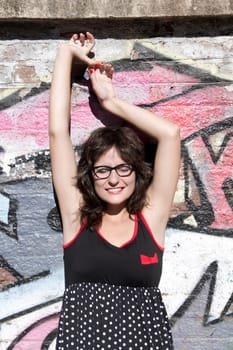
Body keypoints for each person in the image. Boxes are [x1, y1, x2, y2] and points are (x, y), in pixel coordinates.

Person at [49, 32, 180, 350]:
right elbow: (57, 133)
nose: (114, 179)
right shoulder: (77, 218)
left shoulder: (151, 218)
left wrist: (110, 101)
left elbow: (170, 134)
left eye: (124, 168)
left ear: (137, 172)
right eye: (103, 170)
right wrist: (67, 54)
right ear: (90, 175)